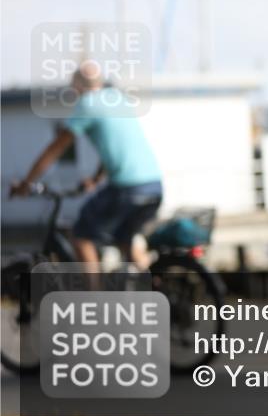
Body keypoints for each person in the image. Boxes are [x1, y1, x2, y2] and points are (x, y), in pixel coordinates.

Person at [11, 61, 163, 274]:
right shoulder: (118, 99)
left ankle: (94, 300)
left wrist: (27, 183)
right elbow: (116, 147)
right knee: (123, 238)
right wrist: (96, 179)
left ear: (77, 86)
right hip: (153, 185)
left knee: (81, 235)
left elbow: (56, 148)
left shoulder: (88, 104)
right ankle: (155, 285)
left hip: (127, 189)